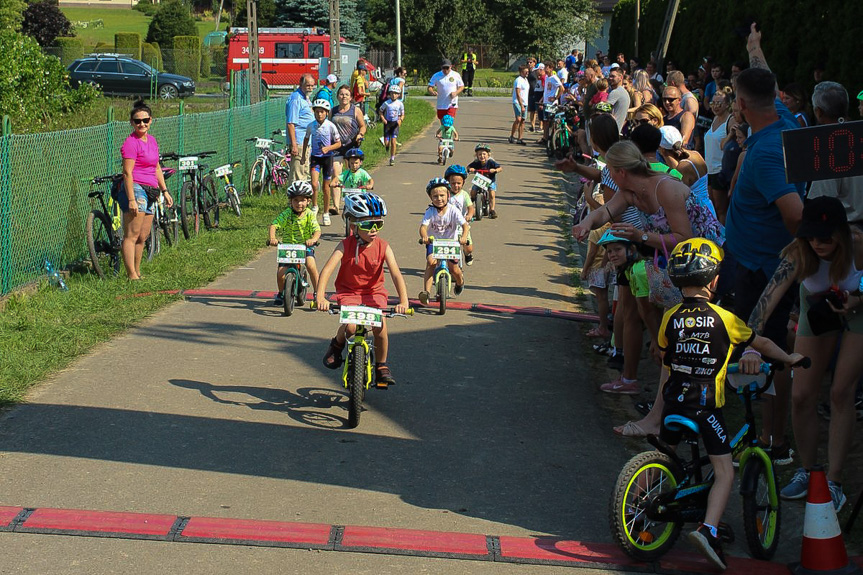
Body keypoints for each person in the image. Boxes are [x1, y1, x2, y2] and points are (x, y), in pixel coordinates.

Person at [657, 238, 804, 570]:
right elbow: (761, 341)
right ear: (714, 280)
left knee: (667, 458)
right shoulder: (725, 318)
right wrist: (789, 357)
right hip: (706, 407)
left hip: (673, 404)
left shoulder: (670, 317)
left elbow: (664, 351)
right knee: (725, 472)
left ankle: (640, 498)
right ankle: (708, 530)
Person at [722, 23, 806, 463]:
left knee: (766, 352)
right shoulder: (784, 121)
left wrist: (799, 257)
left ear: (738, 105)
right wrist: (756, 47)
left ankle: (774, 443)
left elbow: (795, 215)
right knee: (744, 347)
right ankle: (758, 431)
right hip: (747, 259)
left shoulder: (771, 153)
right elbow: (763, 81)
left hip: (760, 267)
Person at [747, 197, 863, 511]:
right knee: (801, 394)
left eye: (825, 237)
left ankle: (835, 481)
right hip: (818, 306)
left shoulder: (857, 244)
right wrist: (748, 345)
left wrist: (857, 296)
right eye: (811, 235)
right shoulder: (799, 253)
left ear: (841, 233)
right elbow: (765, 303)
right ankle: (809, 470)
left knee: (841, 391)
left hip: (858, 306)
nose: (817, 243)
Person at [316, 192, 409, 389]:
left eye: (379, 224)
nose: (374, 229)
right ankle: (336, 345)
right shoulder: (345, 245)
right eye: (368, 225)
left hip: (374, 294)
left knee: (380, 328)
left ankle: (381, 366)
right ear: (354, 225)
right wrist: (320, 297)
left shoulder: (384, 246)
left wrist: (403, 301)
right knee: (350, 326)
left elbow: (396, 274)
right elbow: (326, 270)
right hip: (349, 292)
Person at [119, 100, 172, 280]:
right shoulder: (131, 143)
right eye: (137, 121)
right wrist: (132, 199)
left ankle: (137, 270)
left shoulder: (152, 141)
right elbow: (127, 172)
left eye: (145, 120)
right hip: (137, 188)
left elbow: (157, 167)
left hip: (152, 190)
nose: (142, 124)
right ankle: (131, 275)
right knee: (131, 234)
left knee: (143, 236)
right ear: (131, 123)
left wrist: (164, 191)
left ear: (151, 120)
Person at [808, 82, 863, 229]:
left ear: (818, 112)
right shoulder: (857, 135)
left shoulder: (827, 148)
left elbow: (821, 201)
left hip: (846, 233)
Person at [267, 180, 321, 307]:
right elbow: (274, 225)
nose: (299, 203)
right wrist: (272, 238)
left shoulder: (309, 215)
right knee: (281, 273)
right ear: (290, 201)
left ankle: (318, 292)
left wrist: (313, 239)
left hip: (304, 246)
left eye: (302, 200)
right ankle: (281, 293)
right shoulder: (287, 214)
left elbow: (317, 230)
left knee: (311, 265)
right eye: (295, 200)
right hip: (288, 248)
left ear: (308, 201)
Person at [418, 178, 469, 304]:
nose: (439, 199)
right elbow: (423, 227)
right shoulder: (430, 211)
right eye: (435, 196)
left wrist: (463, 237)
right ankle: (427, 292)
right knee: (431, 262)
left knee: (454, 269)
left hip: (451, 243)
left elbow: (465, 225)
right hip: (434, 242)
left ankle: (460, 282)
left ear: (448, 195)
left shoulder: (453, 210)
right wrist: (425, 237)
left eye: (442, 195)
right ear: (430, 197)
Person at [657, 126, 715, 215]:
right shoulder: (696, 154)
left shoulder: (682, 169)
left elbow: (676, 198)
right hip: (708, 208)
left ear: (662, 149)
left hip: (699, 214)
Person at [302, 98, 341, 226]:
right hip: (315, 157)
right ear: (314, 112)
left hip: (327, 159)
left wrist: (328, 148)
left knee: (326, 187)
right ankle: (314, 206)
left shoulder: (331, 126)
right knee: (313, 184)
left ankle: (325, 213)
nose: (319, 114)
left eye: (322, 112)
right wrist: (303, 156)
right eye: (317, 112)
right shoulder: (311, 125)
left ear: (326, 113)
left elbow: (338, 143)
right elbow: (306, 140)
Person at [705, 87, 735, 224]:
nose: (715, 106)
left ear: (727, 105)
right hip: (709, 170)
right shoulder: (715, 119)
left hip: (720, 170)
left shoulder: (730, 120)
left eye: (719, 103)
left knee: (721, 208)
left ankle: (723, 238)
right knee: (711, 207)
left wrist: (730, 135)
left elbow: (726, 145)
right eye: (713, 103)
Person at [581, 226, 614, 339]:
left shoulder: (595, 231)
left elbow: (591, 253)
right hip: (606, 267)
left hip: (597, 267)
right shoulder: (608, 227)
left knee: (601, 299)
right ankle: (603, 326)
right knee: (604, 298)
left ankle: (602, 328)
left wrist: (585, 270)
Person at [331, 85, 367, 180]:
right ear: (338, 96)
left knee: (352, 175)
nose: (344, 97)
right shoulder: (333, 111)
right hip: (336, 147)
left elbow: (363, 126)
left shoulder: (355, 110)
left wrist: (360, 134)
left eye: (347, 94)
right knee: (336, 175)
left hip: (351, 146)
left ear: (350, 97)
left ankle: (351, 194)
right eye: (341, 94)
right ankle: (337, 195)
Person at [286, 74, 317, 185]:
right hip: (299, 142)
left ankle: (302, 199)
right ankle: (296, 199)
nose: (310, 88)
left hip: (306, 141)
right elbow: (291, 123)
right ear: (301, 84)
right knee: (298, 173)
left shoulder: (306, 98)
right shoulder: (296, 99)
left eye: (312, 86)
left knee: (304, 170)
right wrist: (294, 144)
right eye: (307, 85)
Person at [445, 164, 476, 265]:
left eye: (459, 183)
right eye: (453, 183)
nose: (456, 186)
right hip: (448, 226)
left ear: (463, 182)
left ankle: (467, 254)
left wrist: (469, 215)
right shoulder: (445, 194)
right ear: (448, 182)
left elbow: (471, 207)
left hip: (462, 225)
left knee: (469, 248)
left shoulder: (464, 194)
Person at [467, 143, 502, 219]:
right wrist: (470, 169)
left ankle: (492, 210)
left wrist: (495, 170)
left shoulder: (491, 162)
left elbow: (500, 168)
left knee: (492, 194)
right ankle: (471, 202)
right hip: (480, 180)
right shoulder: (476, 162)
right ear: (477, 155)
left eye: (484, 154)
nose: (482, 156)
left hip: (490, 181)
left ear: (488, 155)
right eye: (480, 154)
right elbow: (469, 166)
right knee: (473, 191)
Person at [427, 59, 465, 123]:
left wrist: (456, 93)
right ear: (441, 67)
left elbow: (461, 86)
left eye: (447, 68)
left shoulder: (456, 75)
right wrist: (432, 92)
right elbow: (430, 87)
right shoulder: (436, 75)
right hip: (441, 104)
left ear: (451, 66)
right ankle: (443, 133)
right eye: (444, 68)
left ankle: (448, 133)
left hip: (452, 103)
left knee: (448, 123)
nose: (445, 70)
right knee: (443, 124)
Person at [379, 84, 405, 166]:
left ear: (398, 95)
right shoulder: (386, 103)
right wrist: (383, 119)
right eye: (392, 93)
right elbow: (380, 111)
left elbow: (402, 114)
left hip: (395, 123)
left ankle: (392, 158)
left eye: (396, 93)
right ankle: (386, 146)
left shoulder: (400, 104)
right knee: (387, 142)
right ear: (389, 94)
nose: (394, 95)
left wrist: (400, 120)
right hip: (388, 123)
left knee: (393, 141)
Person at [509, 64, 530, 145]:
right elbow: (518, 94)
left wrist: (524, 104)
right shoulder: (518, 80)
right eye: (526, 72)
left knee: (523, 120)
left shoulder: (526, 80)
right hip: (518, 102)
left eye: (528, 71)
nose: (527, 73)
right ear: (521, 72)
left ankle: (520, 138)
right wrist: (521, 105)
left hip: (525, 102)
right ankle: (512, 136)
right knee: (518, 119)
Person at [605, 67, 629, 133]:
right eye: (609, 76)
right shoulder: (624, 92)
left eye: (613, 76)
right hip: (616, 131)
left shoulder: (616, 92)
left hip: (610, 132)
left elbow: (602, 110)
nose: (610, 78)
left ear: (621, 77)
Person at [529, 62, 546, 132]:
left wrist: (541, 100)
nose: (536, 72)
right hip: (536, 96)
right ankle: (534, 126)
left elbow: (545, 90)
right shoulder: (539, 78)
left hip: (540, 98)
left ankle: (541, 127)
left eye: (537, 70)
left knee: (541, 113)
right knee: (537, 112)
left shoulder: (544, 78)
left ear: (541, 70)